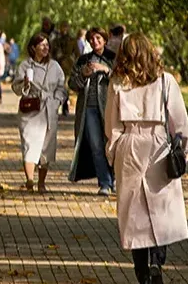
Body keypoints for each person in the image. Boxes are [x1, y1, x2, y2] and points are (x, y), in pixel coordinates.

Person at [106, 32, 188, 284]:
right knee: (161, 212)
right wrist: (182, 154)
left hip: (130, 143)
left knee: (135, 219)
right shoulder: (166, 81)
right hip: (158, 145)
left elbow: (112, 124)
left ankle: (143, 281)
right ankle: (158, 261)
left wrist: (114, 153)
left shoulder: (118, 83)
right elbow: (180, 123)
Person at [13, 33, 66, 192]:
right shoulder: (25, 66)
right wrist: (25, 83)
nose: (45, 47)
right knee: (29, 144)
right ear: (33, 48)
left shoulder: (55, 66)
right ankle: (30, 179)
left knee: (45, 147)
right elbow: (16, 89)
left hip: (49, 109)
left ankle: (41, 183)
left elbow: (61, 88)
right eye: (41, 45)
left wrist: (57, 101)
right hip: (31, 109)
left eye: (47, 45)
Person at [69, 27, 117, 194]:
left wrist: (105, 70)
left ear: (104, 39)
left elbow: (122, 80)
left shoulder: (113, 58)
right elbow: (72, 84)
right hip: (88, 108)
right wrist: (83, 74)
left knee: (112, 143)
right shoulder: (83, 60)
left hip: (111, 107)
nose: (95, 42)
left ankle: (116, 179)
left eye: (98, 38)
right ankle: (104, 183)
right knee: (96, 146)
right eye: (91, 39)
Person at [52, 22, 79, 116]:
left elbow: (77, 54)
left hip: (68, 67)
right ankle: (57, 105)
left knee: (65, 88)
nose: (64, 30)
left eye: (66, 27)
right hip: (57, 67)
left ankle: (65, 106)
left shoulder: (72, 40)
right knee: (57, 88)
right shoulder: (56, 41)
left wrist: (74, 63)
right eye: (62, 27)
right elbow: (51, 54)